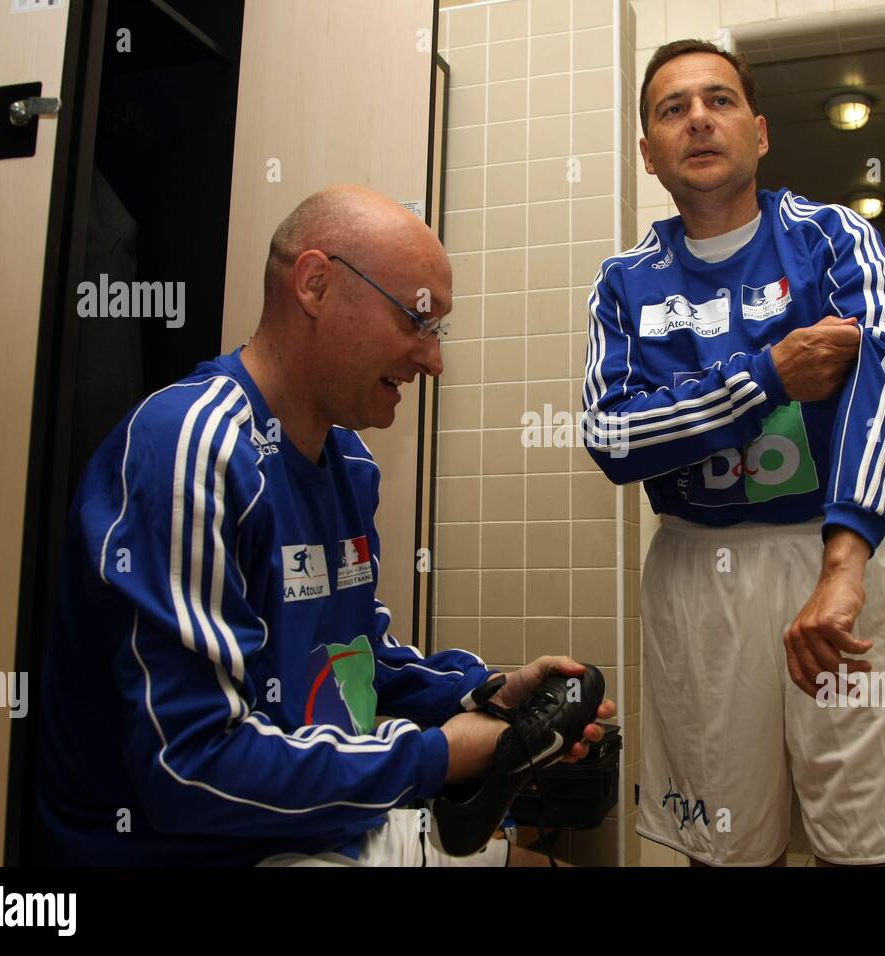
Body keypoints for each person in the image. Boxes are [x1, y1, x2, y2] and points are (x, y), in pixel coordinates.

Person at [37, 185, 613, 867]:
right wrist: (441, 754)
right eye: (417, 320)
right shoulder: (191, 451)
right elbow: (190, 766)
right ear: (315, 285)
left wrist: (483, 692)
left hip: (313, 822)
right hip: (191, 846)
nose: (433, 359)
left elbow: (354, 658)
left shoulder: (348, 462)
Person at [582, 40, 885, 867]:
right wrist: (766, 376)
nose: (699, 119)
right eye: (673, 109)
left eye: (719, 101)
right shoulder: (623, 283)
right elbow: (611, 435)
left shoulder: (833, 238)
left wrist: (846, 562)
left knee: (876, 845)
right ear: (648, 152)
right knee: (727, 847)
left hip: (843, 553)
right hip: (697, 572)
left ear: (760, 130)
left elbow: (880, 376)